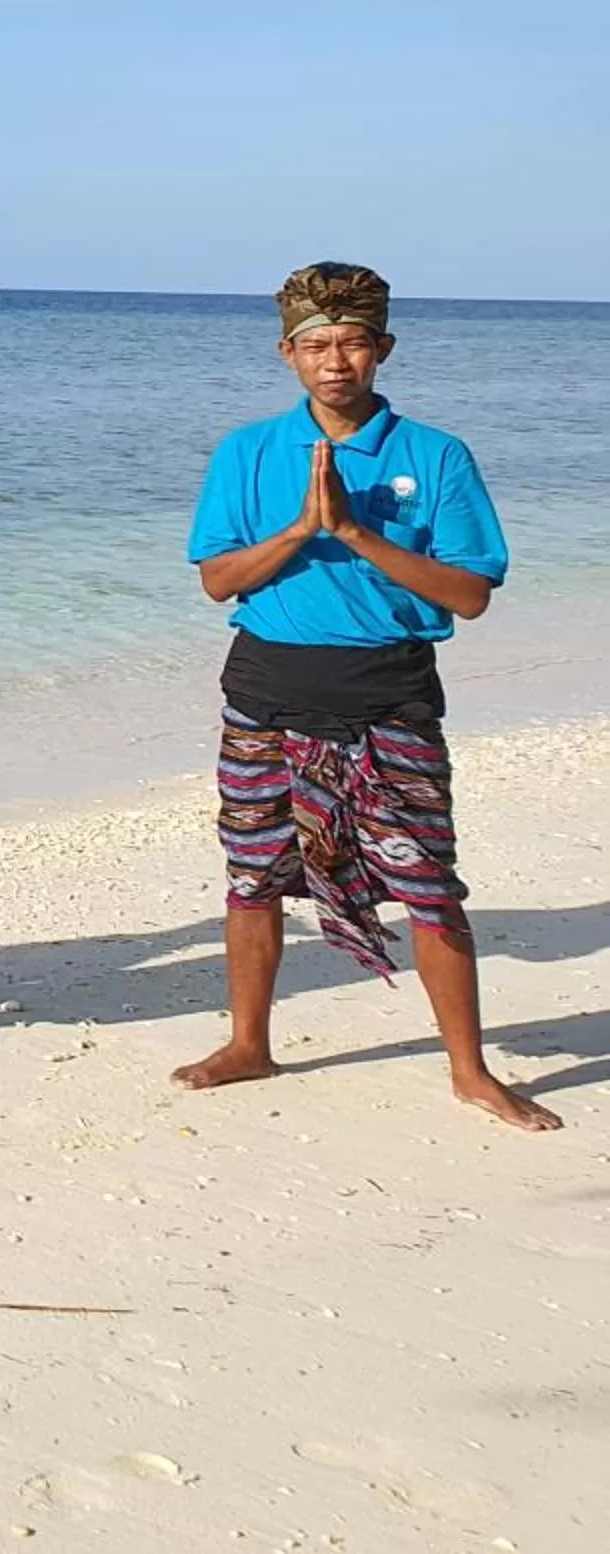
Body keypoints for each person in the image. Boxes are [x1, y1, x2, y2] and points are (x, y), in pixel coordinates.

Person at [173, 262, 557, 1131]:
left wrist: (351, 530)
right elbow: (218, 579)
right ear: (288, 354)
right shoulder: (248, 451)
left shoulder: (435, 455)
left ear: (382, 348)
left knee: (427, 883)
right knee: (252, 876)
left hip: (389, 695)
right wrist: (301, 530)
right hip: (267, 694)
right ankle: (248, 1044)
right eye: (316, 345)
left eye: (352, 343)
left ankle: (470, 1070)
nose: (334, 360)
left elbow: (469, 593)